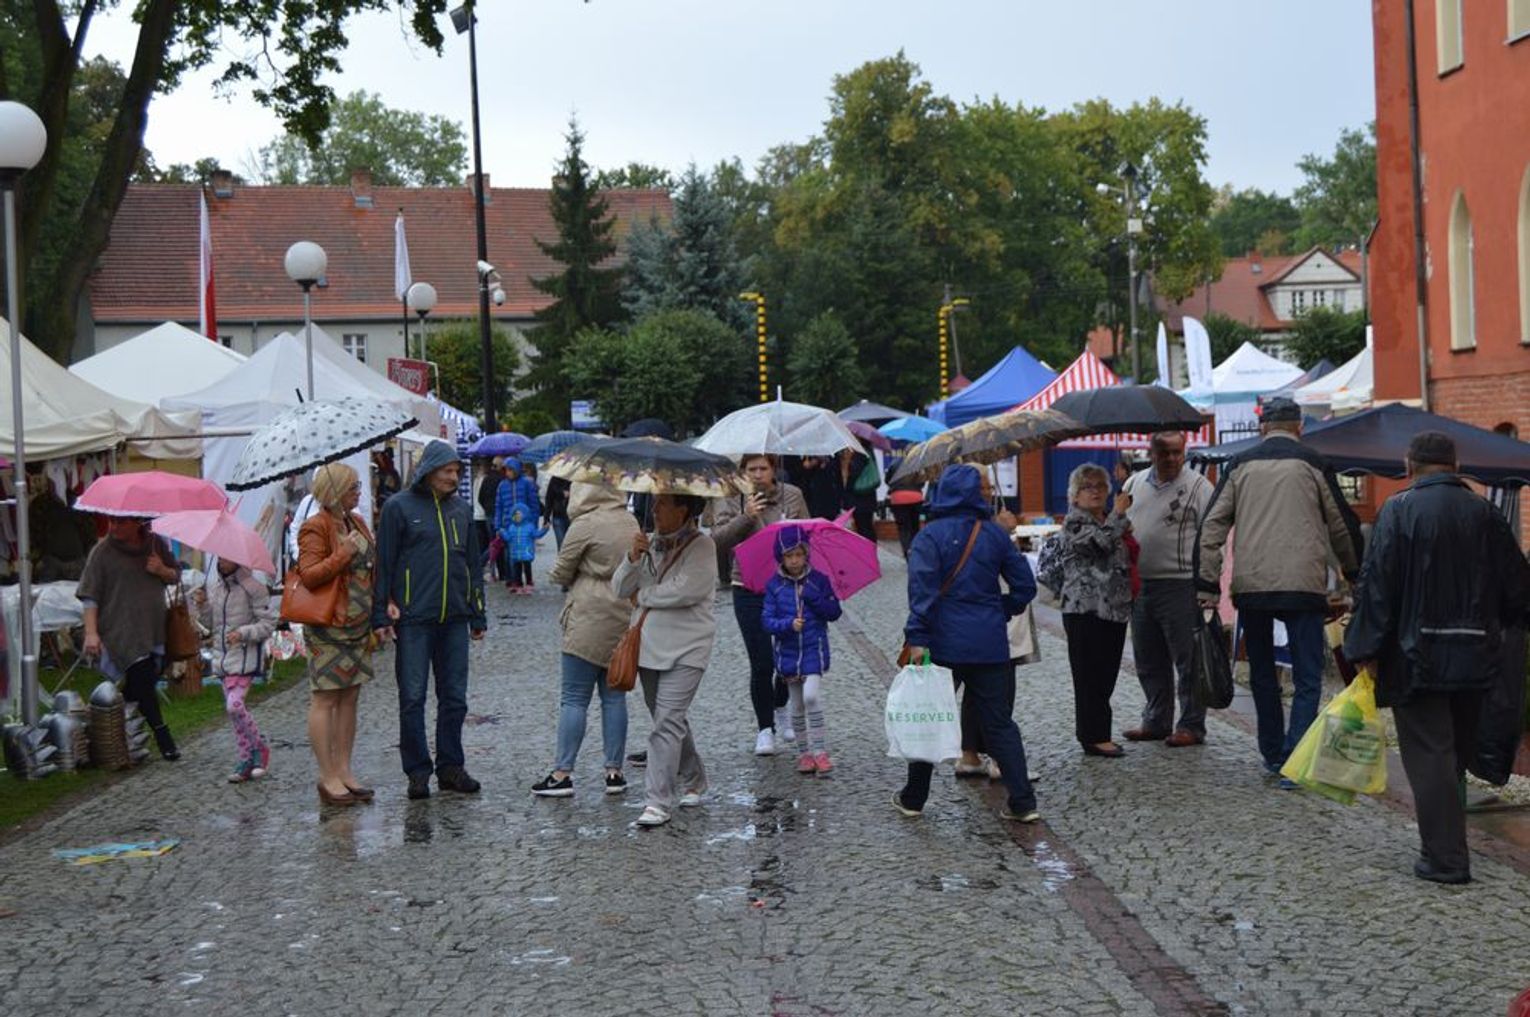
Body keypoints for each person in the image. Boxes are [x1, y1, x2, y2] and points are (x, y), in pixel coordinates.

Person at [1343, 432, 1528, 884]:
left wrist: (1363, 649)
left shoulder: (1399, 511)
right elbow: (1518, 591)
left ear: (1409, 466)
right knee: (1454, 753)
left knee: (1430, 756)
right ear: (1456, 465)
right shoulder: (1485, 514)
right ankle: (1450, 843)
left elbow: (1377, 587)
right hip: (1476, 655)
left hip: (1416, 656)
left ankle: (1446, 858)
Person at [1196, 395, 1361, 782]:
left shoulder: (1239, 465)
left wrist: (1207, 584)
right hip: (1303, 585)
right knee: (1307, 676)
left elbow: (1211, 527)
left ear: (1262, 428)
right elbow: (1342, 525)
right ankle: (1295, 757)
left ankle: (1272, 753)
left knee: (1262, 673)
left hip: (1252, 586)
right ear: (1299, 427)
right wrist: (1355, 573)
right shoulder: (1314, 463)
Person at [894, 464, 1040, 823]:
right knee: (1000, 724)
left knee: (930, 718)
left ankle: (914, 798)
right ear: (976, 493)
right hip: (989, 643)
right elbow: (1025, 586)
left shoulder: (928, 538)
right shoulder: (994, 535)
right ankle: (1023, 802)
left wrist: (917, 638)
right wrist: (1001, 608)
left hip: (941, 644)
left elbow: (922, 594)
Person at [373, 440, 487, 800]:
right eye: (448, 471)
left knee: (454, 698)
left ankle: (451, 767)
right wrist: (381, 612)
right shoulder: (398, 507)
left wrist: (477, 612)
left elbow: (472, 566)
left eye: (457, 471)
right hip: (413, 619)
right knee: (412, 697)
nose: (454, 477)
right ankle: (417, 771)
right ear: (429, 470)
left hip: (454, 617)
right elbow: (385, 564)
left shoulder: (461, 510)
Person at [613, 494, 718, 827]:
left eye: (663, 503)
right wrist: (632, 559)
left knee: (666, 722)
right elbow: (620, 589)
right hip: (648, 648)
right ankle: (695, 778)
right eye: (654, 503)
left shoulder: (702, 546)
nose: (655, 509)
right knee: (668, 719)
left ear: (683, 509)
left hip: (687, 649)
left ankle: (657, 801)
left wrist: (643, 596)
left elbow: (686, 590)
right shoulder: (649, 543)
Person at [534, 483, 641, 797]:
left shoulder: (585, 524)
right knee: (614, 697)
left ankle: (562, 773)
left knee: (574, 698)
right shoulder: (630, 521)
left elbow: (560, 572)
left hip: (588, 616)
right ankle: (614, 772)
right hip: (621, 612)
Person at [706, 453, 809, 755]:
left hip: (786, 585)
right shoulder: (731, 496)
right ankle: (765, 728)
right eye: (752, 469)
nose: (758, 474)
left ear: (774, 470)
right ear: (743, 472)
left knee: (789, 656)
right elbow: (717, 540)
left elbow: (808, 537)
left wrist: (793, 532)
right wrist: (746, 516)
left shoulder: (792, 495)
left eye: (764, 468)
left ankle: (781, 705)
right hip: (748, 586)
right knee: (762, 662)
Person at [1122, 431, 1214, 747]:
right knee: (1148, 658)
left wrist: (1208, 584)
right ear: (1152, 453)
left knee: (1188, 660)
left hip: (1181, 582)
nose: (1172, 458)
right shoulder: (1133, 484)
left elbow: (1212, 536)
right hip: (1140, 584)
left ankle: (1191, 724)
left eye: (1177, 452)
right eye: (1165, 453)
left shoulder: (1199, 487)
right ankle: (1156, 719)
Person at [296, 463, 377, 806]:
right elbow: (309, 574)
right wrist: (343, 554)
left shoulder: (355, 522)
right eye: (353, 486)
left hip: (358, 623)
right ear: (335, 490)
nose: (358, 491)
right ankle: (327, 775)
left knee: (349, 696)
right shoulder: (315, 527)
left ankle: (344, 770)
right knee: (326, 697)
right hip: (329, 626)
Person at [77, 516, 183, 760]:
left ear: (136, 523)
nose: (114, 527)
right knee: (142, 679)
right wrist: (91, 633)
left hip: (152, 627)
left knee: (138, 686)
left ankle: (105, 732)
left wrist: (161, 569)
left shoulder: (155, 544)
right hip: (119, 629)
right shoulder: (102, 552)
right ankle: (162, 735)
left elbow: (175, 575)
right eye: (112, 522)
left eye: (121, 522)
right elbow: (89, 595)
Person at [1050, 463, 1134, 758]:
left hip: (1113, 609)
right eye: (1087, 487)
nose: (1095, 491)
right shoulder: (1075, 523)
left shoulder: (1108, 521)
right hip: (1085, 609)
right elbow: (1100, 545)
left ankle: (1100, 732)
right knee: (1090, 676)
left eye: (1100, 486)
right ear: (1074, 495)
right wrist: (1119, 515)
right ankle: (1093, 736)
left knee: (1107, 674)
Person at [760, 526, 843, 774]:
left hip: (813, 649)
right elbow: (767, 621)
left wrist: (814, 599)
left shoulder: (819, 580)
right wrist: (788, 624)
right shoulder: (774, 586)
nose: (795, 560)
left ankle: (820, 751)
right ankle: (804, 753)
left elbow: (834, 612)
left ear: (806, 554)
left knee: (811, 697)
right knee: (796, 705)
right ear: (781, 557)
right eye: (789, 556)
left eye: (799, 554)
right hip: (788, 654)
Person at [195, 556, 277, 783]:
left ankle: (259, 748)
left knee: (234, 706)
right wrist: (203, 606)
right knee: (234, 716)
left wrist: (243, 633)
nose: (222, 562)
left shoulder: (254, 588)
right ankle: (246, 758)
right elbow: (211, 625)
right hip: (223, 660)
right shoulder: (217, 589)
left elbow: (268, 623)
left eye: (227, 558)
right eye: (220, 558)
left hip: (243, 657)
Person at [495, 457, 540, 592]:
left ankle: (527, 580)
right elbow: (498, 507)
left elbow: (534, 505)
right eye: (506, 470)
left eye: (510, 470)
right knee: (510, 554)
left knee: (525, 553)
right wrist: (498, 526)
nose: (508, 473)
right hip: (509, 526)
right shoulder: (502, 486)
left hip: (525, 525)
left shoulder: (526, 484)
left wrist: (533, 523)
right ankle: (514, 580)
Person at [500, 500, 547, 594]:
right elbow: (508, 538)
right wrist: (502, 532)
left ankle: (529, 583)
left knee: (527, 569)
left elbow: (536, 535)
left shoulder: (529, 526)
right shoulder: (512, 527)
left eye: (519, 515)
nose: (517, 517)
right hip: (516, 553)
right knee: (517, 570)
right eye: (515, 515)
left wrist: (544, 529)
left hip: (526, 552)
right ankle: (519, 584)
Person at [886, 459, 925, 559]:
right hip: (916, 497)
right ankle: (917, 552)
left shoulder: (894, 464)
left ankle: (907, 552)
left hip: (898, 498)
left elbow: (887, 480)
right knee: (914, 527)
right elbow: (922, 482)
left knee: (903, 528)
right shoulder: (917, 463)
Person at [839, 448, 879, 539]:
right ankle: (869, 546)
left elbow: (853, 474)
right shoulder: (867, 452)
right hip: (866, 499)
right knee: (866, 526)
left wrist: (846, 464)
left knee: (864, 527)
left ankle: (868, 547)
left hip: (860, 499)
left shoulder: (860, 454)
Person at [473, 456, 501, 578]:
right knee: (494, 544)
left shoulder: (478, 479)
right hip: (484, 515)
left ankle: (487, 570)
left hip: (480, 514)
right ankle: (482, 567)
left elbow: (479, 498)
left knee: (487, 544)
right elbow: (481, 498)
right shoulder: (485, 479)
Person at [544, 476, 573, 549]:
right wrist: (546, 518)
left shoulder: (575, 478)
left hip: (572, 517)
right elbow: (549, 499)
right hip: (558, 516)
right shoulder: (555, 480)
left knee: (571, 546)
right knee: (561, 546)